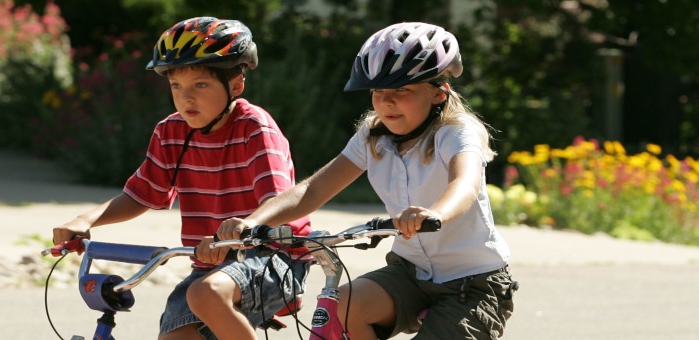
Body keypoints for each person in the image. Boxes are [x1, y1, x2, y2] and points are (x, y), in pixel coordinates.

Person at [217, 22, 517, 339]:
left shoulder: (455, 132)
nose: (387, 102)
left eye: (402, 91)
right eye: (378, 92)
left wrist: (435, 214)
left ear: (438, 94)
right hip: (409, 273)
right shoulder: (373, 136)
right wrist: (251, 221)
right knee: (343, 304)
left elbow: (465, 184)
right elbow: (312, 189)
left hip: (473, 284)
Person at [51, 17, 312, 340]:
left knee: (205, 295)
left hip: (272, 257)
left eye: (200, 85)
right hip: (207, 266)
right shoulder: (171, 132)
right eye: (176, 86)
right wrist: (84, 220)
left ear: (235, 86)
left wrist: (243, 225)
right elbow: (141, 194)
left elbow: (277, 200)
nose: (187, 98)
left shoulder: (254, 128)